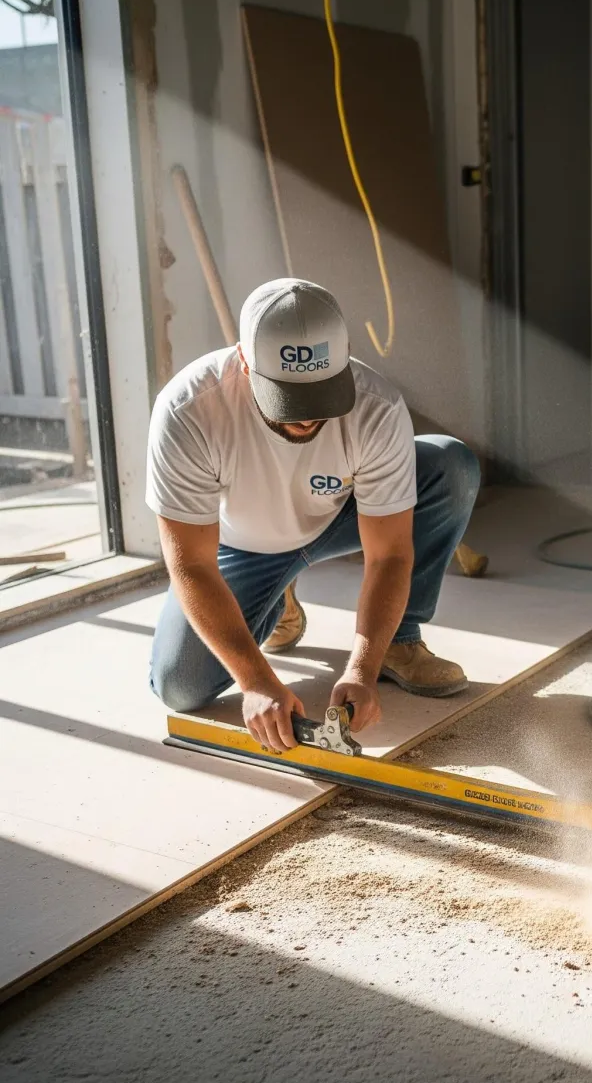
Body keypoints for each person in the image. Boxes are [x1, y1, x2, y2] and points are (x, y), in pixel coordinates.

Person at [146, 278, 479, 751]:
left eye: (319, 395)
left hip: (337, 515)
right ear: (245, 361)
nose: (306, 418)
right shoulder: (188, 411)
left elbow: (389, 556)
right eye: (288, 398)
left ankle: (399, 642)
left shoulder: (377, 406)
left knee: (450, 466)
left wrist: (362, 666)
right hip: (244, 548)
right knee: (179, 687)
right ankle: (278, 595)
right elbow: (191, 565)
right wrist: (256, 681)